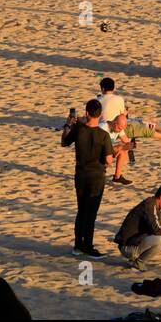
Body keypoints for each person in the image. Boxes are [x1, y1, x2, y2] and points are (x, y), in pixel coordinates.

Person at [61, 98, 114, 258]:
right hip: (97, 177)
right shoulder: (104, 135)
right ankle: (88, 246)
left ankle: (78, 245)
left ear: (86, 113)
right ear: (101, 115)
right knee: (91, 213)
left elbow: (64, 142)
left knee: (81, 211)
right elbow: (109, 160)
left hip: (81, 175)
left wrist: (68, 124)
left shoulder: (78, 129)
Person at [114, 183, 161, 269]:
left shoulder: (154, 206)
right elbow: (157, 228)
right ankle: (138, 264)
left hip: (134, 242)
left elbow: (160, 226)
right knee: (160, 241)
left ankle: (135, 261)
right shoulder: (149, 205)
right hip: (127, 247)